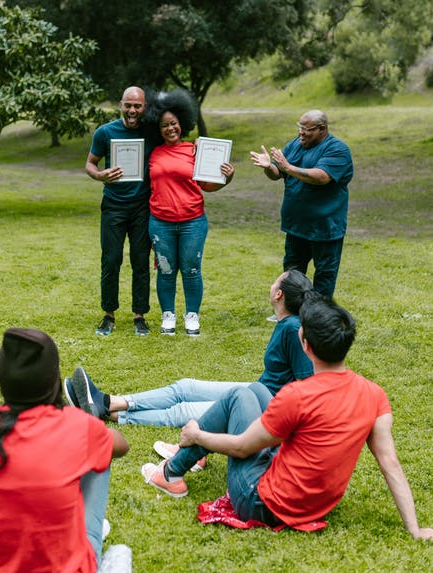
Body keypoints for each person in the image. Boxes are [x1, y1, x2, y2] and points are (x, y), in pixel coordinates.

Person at [141, 298, 433, 541]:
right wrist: (415, 529)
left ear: (306, 346)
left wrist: (197, 435)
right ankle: (178, 466)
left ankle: (171, 474)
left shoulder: (298, 394)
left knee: (235, 397)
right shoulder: (374, 394)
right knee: (252, 390)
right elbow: (389, 463)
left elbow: (242, 448)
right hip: (314, 506)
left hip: (262, 503)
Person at [0, 328, 129, 573]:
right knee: (103, 451)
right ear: (52, 381)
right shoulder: (78, 426)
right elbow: (121, 446)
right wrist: (86, 428)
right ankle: (86, 531)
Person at [63, 269, 313, 430]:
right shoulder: (286, 324)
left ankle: (110, 415)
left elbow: (308, 385)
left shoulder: (292, 328)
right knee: (185, 388)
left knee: (182, 412)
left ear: (279, 294)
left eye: (276, 280)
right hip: (255, 391)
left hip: (264, 407)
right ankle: (106, 402)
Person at [146, 88, 234, 336]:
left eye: (173, 123)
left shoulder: (194, 150)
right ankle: (168, 316)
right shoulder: (152, 152)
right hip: (160, 222)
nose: (170, 129)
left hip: (192, 221)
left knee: (191, 269)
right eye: (164, 125)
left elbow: (207, 186)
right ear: (157, 128)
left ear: (182, 123)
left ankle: (192, 316)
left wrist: (227, 178)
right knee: (166, 270)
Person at [250, 110, 353, 299]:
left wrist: (287, 166)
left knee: (324, 272)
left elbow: (322, 177)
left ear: (322, 129)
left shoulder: (337, 149)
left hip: (325, 226)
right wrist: (268, 167)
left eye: (306, 129)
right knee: (293, 270)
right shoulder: (296, 145)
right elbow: (277, 173)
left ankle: (318, 314)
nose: (301, 133)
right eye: (300, 127)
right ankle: (290, 309)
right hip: (297, 224)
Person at [86, 85, 156, 337]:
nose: (132, 110)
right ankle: (109, 315)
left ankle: (140, 316)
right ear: (120, 105)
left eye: (137, 105)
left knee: (141, 262)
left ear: (144, 107)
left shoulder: (152, 132)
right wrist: (100, 175)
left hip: (141, 208)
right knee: (111, 260)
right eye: (128, 105)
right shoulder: (105, 132)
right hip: (113, 207)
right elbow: (90, 163)